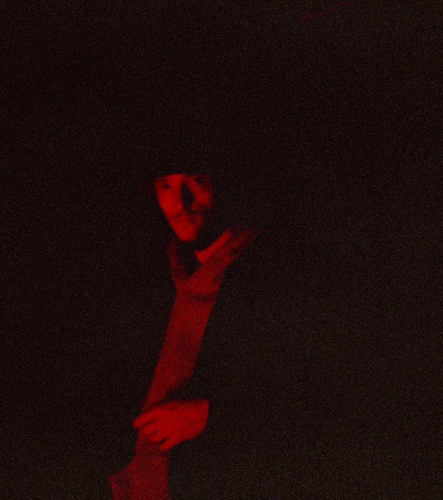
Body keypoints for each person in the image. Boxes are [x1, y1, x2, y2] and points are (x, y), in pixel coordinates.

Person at [107, 162, 319, 499]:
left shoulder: (274, 270)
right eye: (165, 186)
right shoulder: (164, 275)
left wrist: (209, 415)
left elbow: (316, 395)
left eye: (196, 181)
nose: (180, 202)